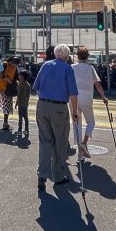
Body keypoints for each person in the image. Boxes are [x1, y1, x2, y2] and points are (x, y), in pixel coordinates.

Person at [32, 44, 79, 191]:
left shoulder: (45, 65)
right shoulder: (67, 68)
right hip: (59, 108)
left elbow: (37, 87)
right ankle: (58, 176)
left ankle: (42, 175)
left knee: (45, 141)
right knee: (60, 141)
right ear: (66, 56)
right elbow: (73, 94)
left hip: (42, 106)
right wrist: (75, 112)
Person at [72, 46, 108, 160]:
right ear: (87, 57)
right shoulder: (90, 68)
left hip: (74, 98)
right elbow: (97, 84)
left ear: (77, 57)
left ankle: (80, 154)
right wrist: (103, 97)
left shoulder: (72, 67)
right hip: (87, 98)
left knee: (77, 124)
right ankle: (84, 142)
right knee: (91, 122)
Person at [0, 56, 19, 131]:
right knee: (6, 105)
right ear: (10, 62)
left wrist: (16, 81)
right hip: (3, 88)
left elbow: (16, 77)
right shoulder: (5, 64)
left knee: (8, 105)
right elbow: (0, 75)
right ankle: (5, 123)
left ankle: (6, 123)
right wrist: (7, 79)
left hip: (9, 89)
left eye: (16, 65)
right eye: (14, 64)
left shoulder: (14, 68)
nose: (15, 66)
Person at [16, 70, 32, 136]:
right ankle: (26, 130)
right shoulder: (28, 84)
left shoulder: (20, 84)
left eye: (20, 75)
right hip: (25, 103)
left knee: (20, 117)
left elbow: (19, 94)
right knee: (25, 117)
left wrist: (17, 103)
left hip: (21, 103)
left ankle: (19, 130)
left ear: (22, 77)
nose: (19, 76)